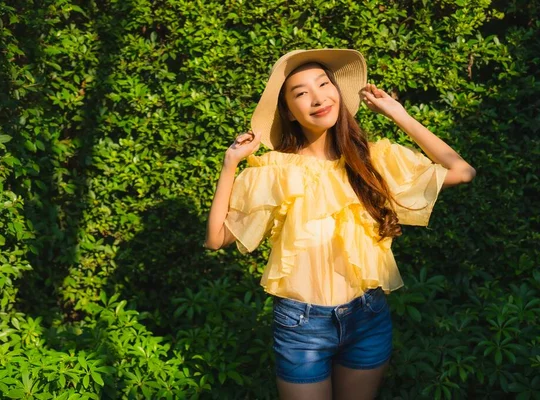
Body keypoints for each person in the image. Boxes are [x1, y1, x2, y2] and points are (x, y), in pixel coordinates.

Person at [203, 49, 475, 400]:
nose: (318, 98)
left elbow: (462, 172)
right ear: (288, 110)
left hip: (368, 317)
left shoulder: (373, 161)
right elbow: (215, 239)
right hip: (302, 326)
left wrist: (399, 114)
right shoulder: (274, 170)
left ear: (337, 92)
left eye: (323, 84)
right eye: (301, 93)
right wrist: (229, 164)